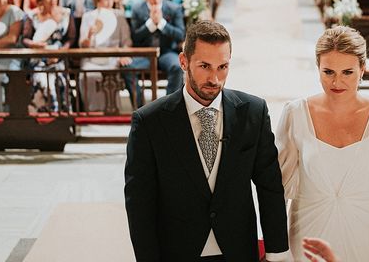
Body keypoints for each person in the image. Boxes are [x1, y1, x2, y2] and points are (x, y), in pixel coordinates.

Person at [124, 20, 289, 261]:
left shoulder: (253, 112)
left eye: (223, 66)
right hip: (176, 251)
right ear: (183, 62)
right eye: (204, 66)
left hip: (238, 250)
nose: (215, 78)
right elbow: (139, 204)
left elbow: (270, 186)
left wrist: (277, 252)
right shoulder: (149, 122)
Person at [276, 26, 369, 262]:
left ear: (363, 69)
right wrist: (277, 251)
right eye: (328, 71)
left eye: (348, 72)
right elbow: (277, 190)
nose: (337, 82)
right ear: (318, 68)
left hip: (368, 235)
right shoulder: (295, 114)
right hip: (308, 235)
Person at [22, 0, 76, 112]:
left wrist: (60, 53)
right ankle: (44, 116)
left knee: (60, 80)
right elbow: (25, 39)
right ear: (40, 0)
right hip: (39, 58)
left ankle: (63, 115)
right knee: (44, 82)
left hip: (59, 57)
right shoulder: (32, 16)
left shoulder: (66, 13)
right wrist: (35, 44)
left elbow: (70, 38)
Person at [127, 0, 185, 104]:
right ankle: (140, 107)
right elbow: (135, 37)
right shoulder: (137, 9)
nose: (156, 0)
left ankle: (169, 107)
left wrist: (162, 24)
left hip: (167, 52)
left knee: (177, 66)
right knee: (128, 68)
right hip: (145, 54)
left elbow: (181, 34)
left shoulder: (174, 8)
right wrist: (151, 24)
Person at [78, 0, 132, 112]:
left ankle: (112, 108)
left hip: (113, 57)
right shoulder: (88, 16)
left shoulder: (119, 16)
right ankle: (91, 110)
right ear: (97, 1)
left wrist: (124, 55)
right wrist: (90, 35)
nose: (109, 3)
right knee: (87, 75)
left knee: (111, 75)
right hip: (92, 57)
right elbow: (83, 44)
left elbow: (126, 41)